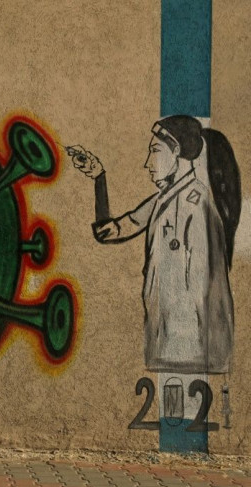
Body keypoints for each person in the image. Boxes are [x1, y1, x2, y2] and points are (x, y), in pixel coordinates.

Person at [71, 115, 240, 374]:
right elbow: (112, 230)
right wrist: (99, 177)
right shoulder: (163, 200)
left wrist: (191, 351)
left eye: (155, 152)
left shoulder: (197, 206)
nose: (148, 164)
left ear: (177, 151)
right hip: (167, 345)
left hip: (192, 354)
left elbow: (201, 288)